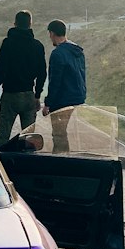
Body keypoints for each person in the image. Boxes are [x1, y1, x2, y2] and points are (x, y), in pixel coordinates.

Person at [0, 10, 47, 150]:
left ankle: (1, 168)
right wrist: (37, 95)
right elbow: (42, 73)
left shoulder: (8, 43)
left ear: (14, 24)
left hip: (9, 95)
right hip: (28, 95)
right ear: (30, 24)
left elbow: (0, 69)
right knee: (29, 141)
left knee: (3, 137)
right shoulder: (37, 46)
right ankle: (28, 167)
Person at [42, 19, 86, 153]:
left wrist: (48, 104)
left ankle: (61, 160)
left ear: (52, 33)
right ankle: (66, 157)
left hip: (63, 99)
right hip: (78, 96)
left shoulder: (58, 53)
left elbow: (55, 82)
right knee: (66, 132)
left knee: (59, 133)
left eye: (50, 34)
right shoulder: (77, 51)